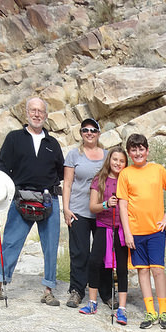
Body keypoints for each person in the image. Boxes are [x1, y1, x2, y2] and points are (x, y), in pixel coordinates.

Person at [0, 96, 64, 305]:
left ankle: (49, 289)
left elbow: (61, 173)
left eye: (40, 111)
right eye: (32, 110)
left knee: (51, 246)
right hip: (20, 198)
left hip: (48, 199)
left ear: (46, 115)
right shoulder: (14, 138)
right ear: (26, 113)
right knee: (10, 242)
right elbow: (4, 166)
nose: (36, 114)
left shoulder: (53, 144)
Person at [117, 133, 166, 329]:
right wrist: (127, 233)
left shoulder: (158, 170)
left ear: (147, 150)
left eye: (141, 149)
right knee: (142, 272)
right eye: (134, 149)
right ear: (129, 152)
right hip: (135, 232)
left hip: (156, 230)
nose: (138, 153)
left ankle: (163, 311)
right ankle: (150, 312)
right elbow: (122, 205)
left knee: (157, 270)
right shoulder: (125, 174)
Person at [63, 118, 112, 308]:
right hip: (79, 211)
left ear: (99, 133)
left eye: (93, 130)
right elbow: (67, 183)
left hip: (102, 211)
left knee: (102, 254)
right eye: (85, 130)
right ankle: (76, 291)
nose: (89, 133)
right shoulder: (74, 155)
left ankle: (106, 292)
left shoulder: (107, 155)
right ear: (81, 133)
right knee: (80, 253)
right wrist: (66, 209)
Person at [80, 147, 129, 323]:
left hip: (122, 228)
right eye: (115, 159)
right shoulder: (99, 179)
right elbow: (93, 207)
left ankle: (122, 308)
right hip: (103, 226)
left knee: (121, 267)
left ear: (125, 163)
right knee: (94, 262)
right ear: (109, 160)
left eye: (121, 161)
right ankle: (92, 302)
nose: (118, 163)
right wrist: (107, 204)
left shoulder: (127, 178)